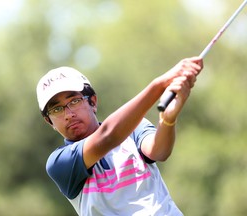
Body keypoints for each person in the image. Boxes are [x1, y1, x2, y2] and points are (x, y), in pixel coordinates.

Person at [36, 56, 203, 216]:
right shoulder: (59, 163)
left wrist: (167, 120)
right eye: (56, 109)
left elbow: (159, 152)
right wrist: (160, 84)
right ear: (49, 121)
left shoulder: (133, 126)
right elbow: (107, 136)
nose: (68, 114)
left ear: (92, 102)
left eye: (74, 101)